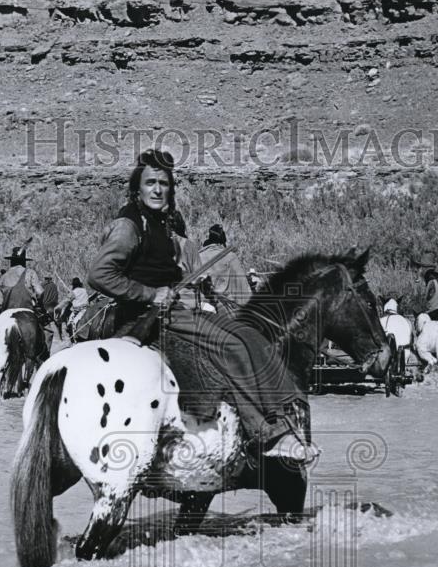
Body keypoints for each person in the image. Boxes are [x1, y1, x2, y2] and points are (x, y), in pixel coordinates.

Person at [87, 148, 315, 463]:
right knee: (233, 347)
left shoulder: (158, 224)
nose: (157, 189)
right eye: (150, 182)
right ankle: (265, 433)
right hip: (149, 316)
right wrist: (151, 294)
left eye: (164, 183)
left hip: (172, 310)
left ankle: (281, 415)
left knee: (249, 336)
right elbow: (99, 275)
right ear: (137, 188)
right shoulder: (130, 226)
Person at [0, 245, 51, 349]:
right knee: (48, 331)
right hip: (27, 308)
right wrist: (37, 302)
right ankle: (45, 355)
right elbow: (40, 292)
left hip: (7, 312)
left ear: (11, 261)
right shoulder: (30, 273)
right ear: (24, 261)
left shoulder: (3, 276)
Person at [198, 223, 251, 310]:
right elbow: (242, 288)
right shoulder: (230, 256)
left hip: (203, 305)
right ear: (222, 241)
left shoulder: (198, 256)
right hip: (224, 307)